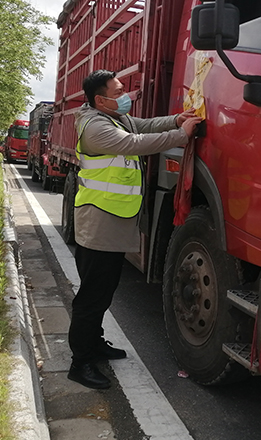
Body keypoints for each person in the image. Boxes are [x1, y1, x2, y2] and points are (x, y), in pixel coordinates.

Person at [67, 69, 202, 389]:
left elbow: (142, 125)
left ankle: (95, 343)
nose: (125, 94)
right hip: (98, 222)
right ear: (100, 99)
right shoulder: (95, 127)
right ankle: (80, 362)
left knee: (104, 291)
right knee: (91, 297)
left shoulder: (113, 116)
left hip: (113, 220)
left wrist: (175, 119)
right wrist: (181, 135)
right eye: (118, 91)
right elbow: (133, 143)